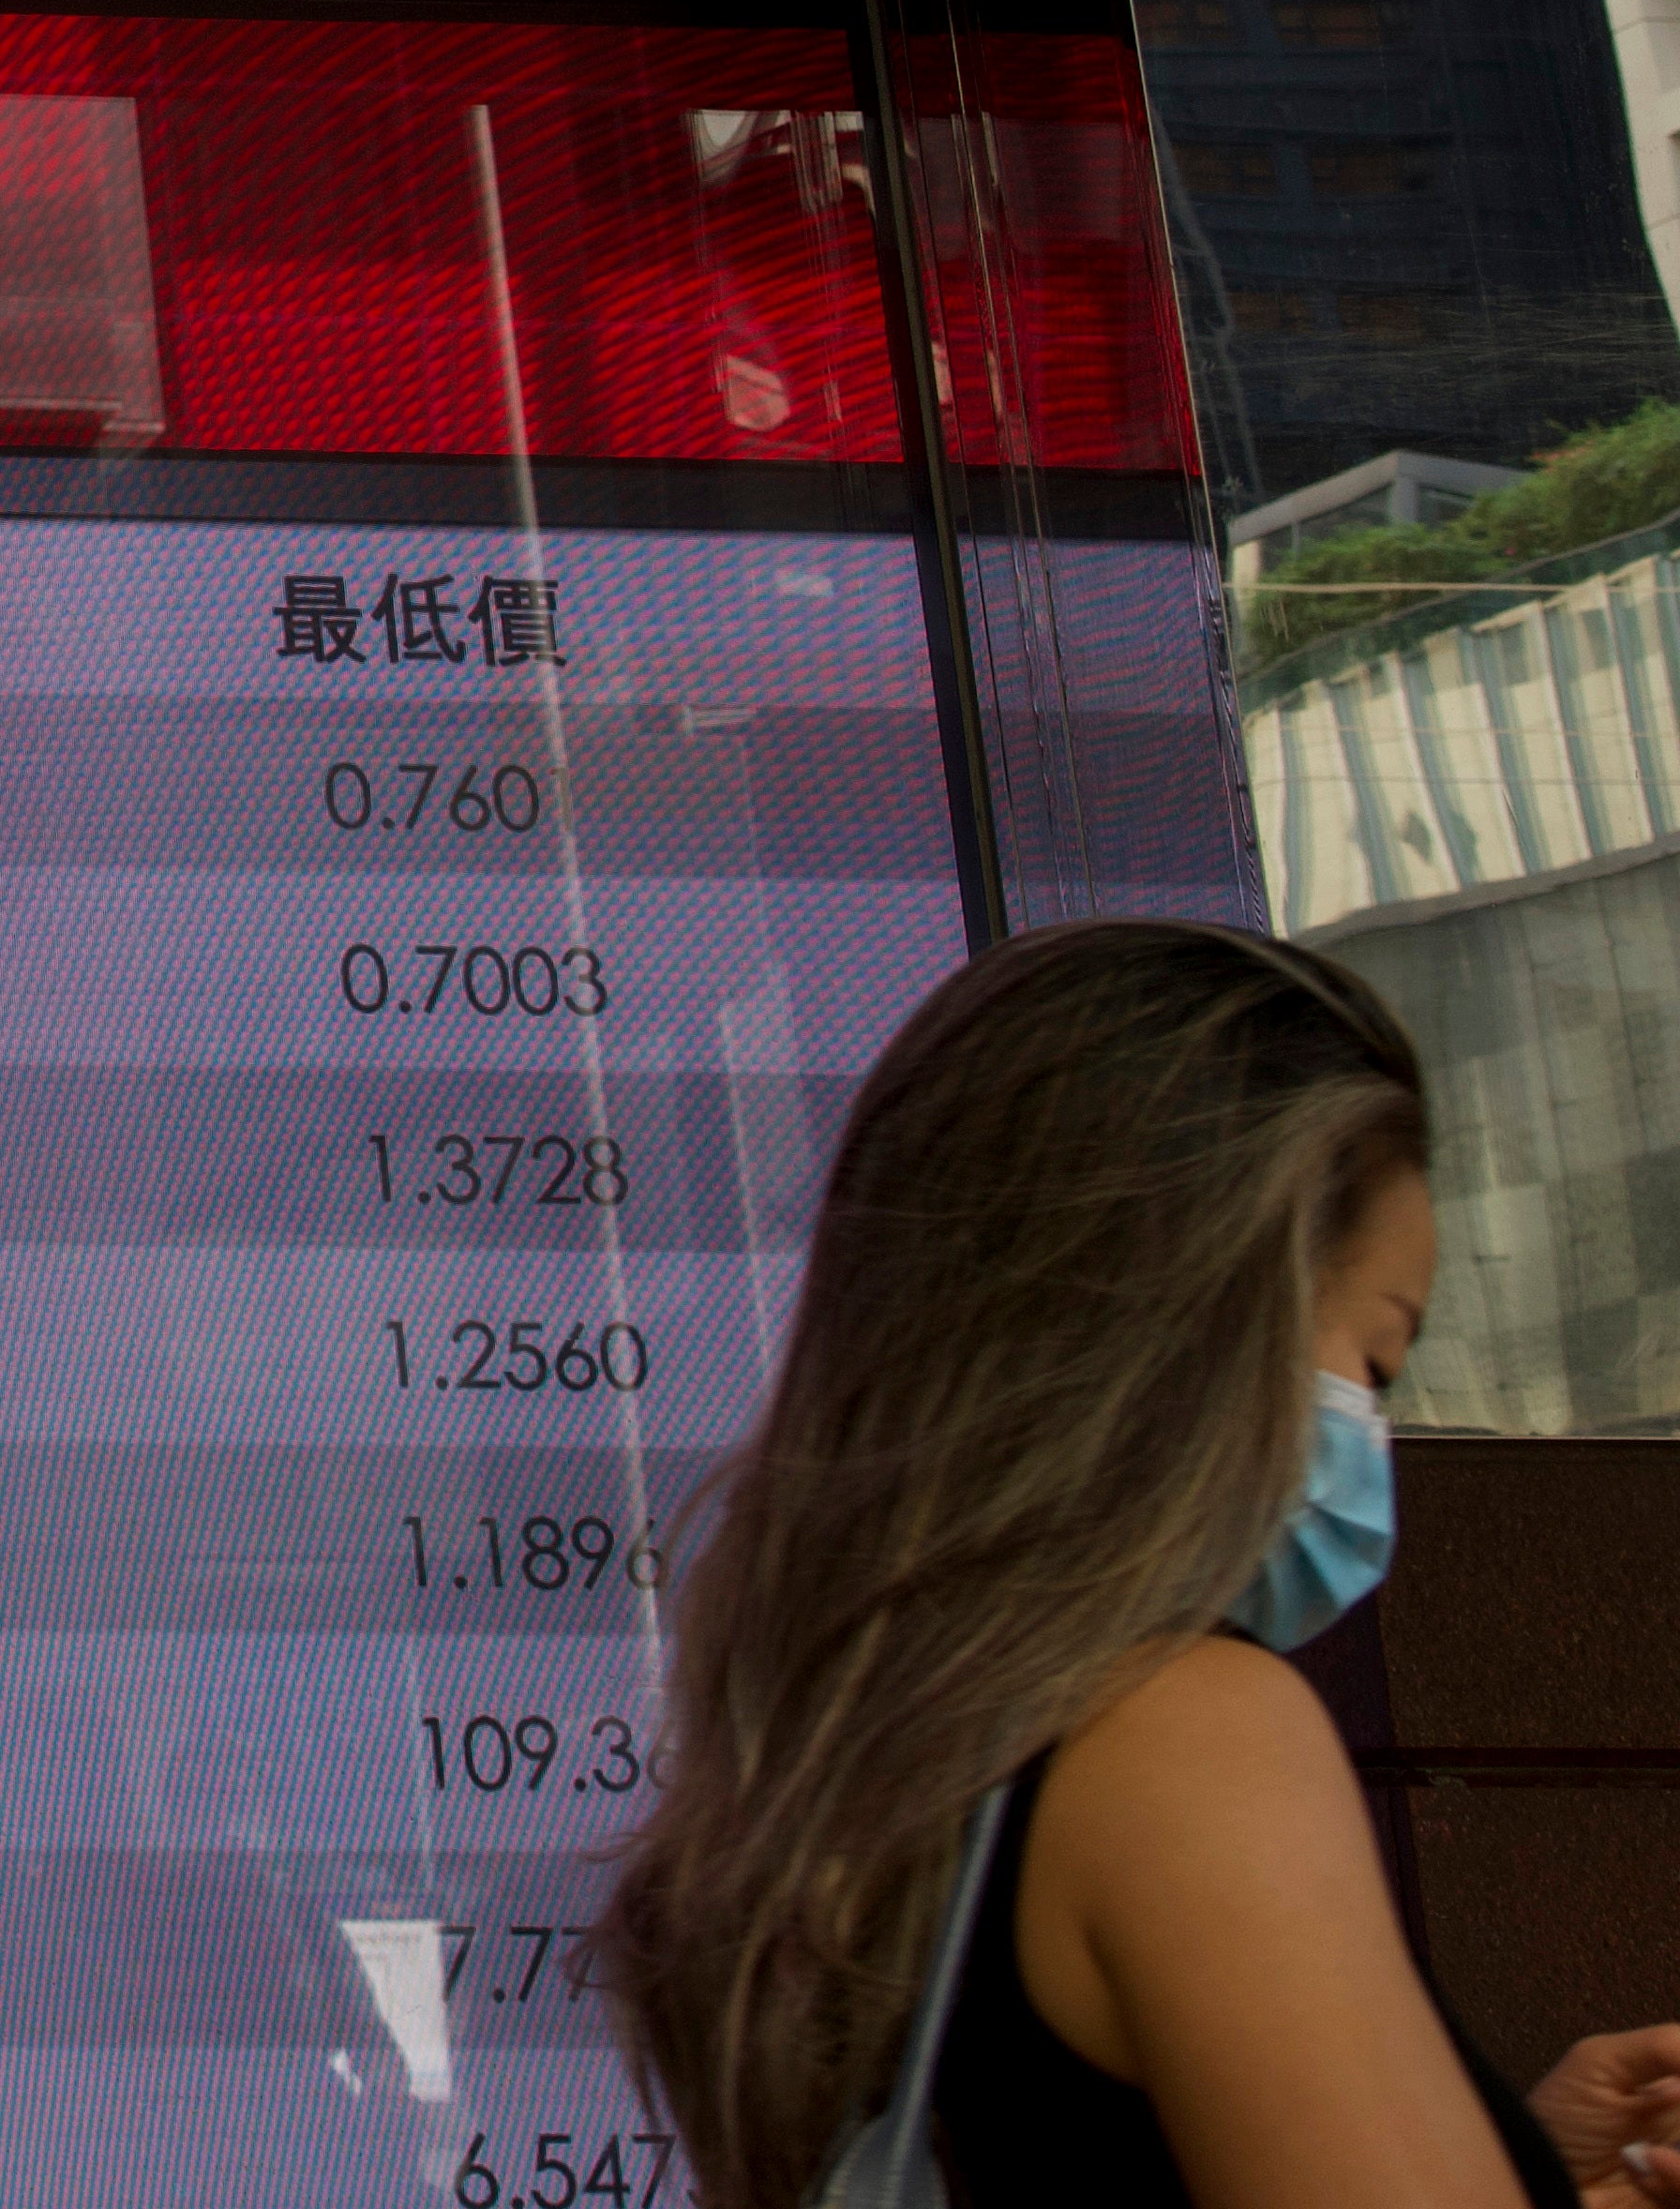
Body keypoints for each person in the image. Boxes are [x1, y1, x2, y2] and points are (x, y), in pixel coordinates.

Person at [601, 919, 1680, 2209]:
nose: (1371, 1439)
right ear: (1201, 1310)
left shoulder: (868, 1787)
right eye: (1374, 1362)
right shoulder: (1179, 1733)